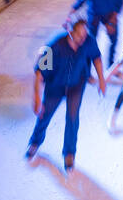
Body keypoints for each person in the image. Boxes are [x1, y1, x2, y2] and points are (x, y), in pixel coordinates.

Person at [26, 17, 105, 172]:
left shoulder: (88, 41)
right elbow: (39, 73)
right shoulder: (54, 46)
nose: (82, 39)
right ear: (70, 32)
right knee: (44, 115)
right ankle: (35, 141)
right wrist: (36, 96)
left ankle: (69, 152)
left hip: (76, 84)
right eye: (79, 36)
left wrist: (101, 79)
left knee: (73, 118)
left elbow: (96, 57)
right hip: (55, 86)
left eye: (84, 36)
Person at [72, 0, 123, 67]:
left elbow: (119, 5)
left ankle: (111, 64)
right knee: (91, 39)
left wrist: (112, 21)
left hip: (109, 15)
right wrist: (73, 9)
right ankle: (86, 67)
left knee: (114, 38)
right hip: (94, 14)